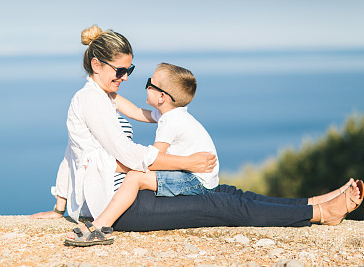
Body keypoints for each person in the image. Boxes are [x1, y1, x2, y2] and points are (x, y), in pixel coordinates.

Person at [30, 25, 364, 247]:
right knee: (222, 206)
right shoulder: (90, 100)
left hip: (130, 194)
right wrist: (187, 161)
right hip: (121, 207)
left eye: (129, 71)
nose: (126, 78)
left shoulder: (103, 99)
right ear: (97, 64)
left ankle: (316, 202)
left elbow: (71, 153)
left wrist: (60, 206)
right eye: (120, 71)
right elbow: (127, 155)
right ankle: (321, 214)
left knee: (230, 192)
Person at [63, 62, 220, 246]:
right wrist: (106, 92)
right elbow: (135, 112)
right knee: (137, 174)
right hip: (200, 177)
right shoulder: (171, 114)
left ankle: (100, 226)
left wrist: (113, 166)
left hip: (195, 180)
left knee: (136, 177)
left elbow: (154, 160)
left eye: (149, 84)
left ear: (161, 96)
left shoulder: (170, 122)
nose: (145, 87)